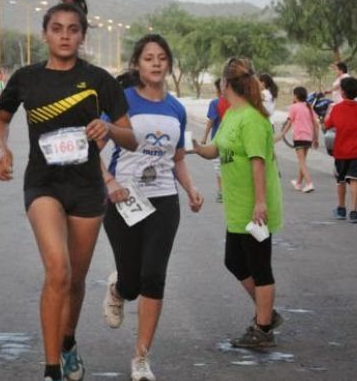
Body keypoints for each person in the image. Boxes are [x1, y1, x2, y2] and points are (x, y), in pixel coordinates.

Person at [0, 0, 137, 381]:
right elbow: (0, 119)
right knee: (57, 271)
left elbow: (130, 137)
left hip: (87, 189)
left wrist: (107, 126)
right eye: (56, 29)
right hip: (43, 185)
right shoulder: (26, 78)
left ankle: (69, 341)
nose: (64, 36)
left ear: (82, 36)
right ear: (45, 35)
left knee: (74, 280)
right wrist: (2, 149)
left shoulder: (98, 80)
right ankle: (51, 368)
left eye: (73, 30)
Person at [101, 34, 203, 381]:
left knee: (154, 277)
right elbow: (91, 149)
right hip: (123, 201)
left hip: (163, 200)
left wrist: (190, 189)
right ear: (137, 65)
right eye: (149, 58)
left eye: (162, 57)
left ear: (168, 64)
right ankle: (118, 289)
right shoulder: (121, 101)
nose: (156, 63)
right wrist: (109, 183)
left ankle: (141, 358)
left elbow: (177, 159)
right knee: (132, 282)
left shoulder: (176, 109)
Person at [192, 57, 283, 348]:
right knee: (233, 260)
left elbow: (258, 162)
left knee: (259, 266)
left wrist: (260, 203)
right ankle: (266, 312)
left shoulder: (253, 120)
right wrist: (193, 147)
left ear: (226, 84)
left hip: (254, 205)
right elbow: (215, 150)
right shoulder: (231, 113)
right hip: (236, 204)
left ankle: (264, 329)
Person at [324, 76, 357, 223]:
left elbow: (327, 125)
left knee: (340, 180)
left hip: (341, 151)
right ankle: (354, 212)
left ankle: (341, 209)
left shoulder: (336, 109)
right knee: (355, 180)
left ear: (343, 92)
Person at [280, 86, 319, 193]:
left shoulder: (294, 107)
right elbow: (316, 124)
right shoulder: (309, 107)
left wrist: (282, 134)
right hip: (308, 138)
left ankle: (309, 183)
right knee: (303, 161)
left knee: (301, 162)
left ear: (296, 96)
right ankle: (298, 183)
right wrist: (316, 138)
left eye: (293, 94)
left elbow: (289, 123)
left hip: (299, 137)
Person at [201, 78, 229, 203]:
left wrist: (204, 137)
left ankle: (221, 191)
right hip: (230, 141)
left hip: (217, 141)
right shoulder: (234, 103)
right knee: (228, 165)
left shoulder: (215, 103)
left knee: (219, 167)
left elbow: (211, 122)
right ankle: (228, 191)